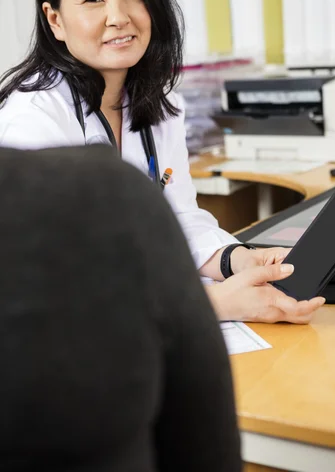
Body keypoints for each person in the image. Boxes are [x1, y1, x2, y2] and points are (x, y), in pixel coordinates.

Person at [0, 0, 325, 324]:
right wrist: (214, 305)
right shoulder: (33, 124)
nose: (118, 16)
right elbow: (59, 288)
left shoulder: (156, 99)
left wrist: (237, 260)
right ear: (55, 20)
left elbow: (179, 220)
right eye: (93, 0)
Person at [0, 144, 241, 471]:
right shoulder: (111, 190)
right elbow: (207, 448)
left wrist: (228, 258)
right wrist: (204, 303)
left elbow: (182, 214)